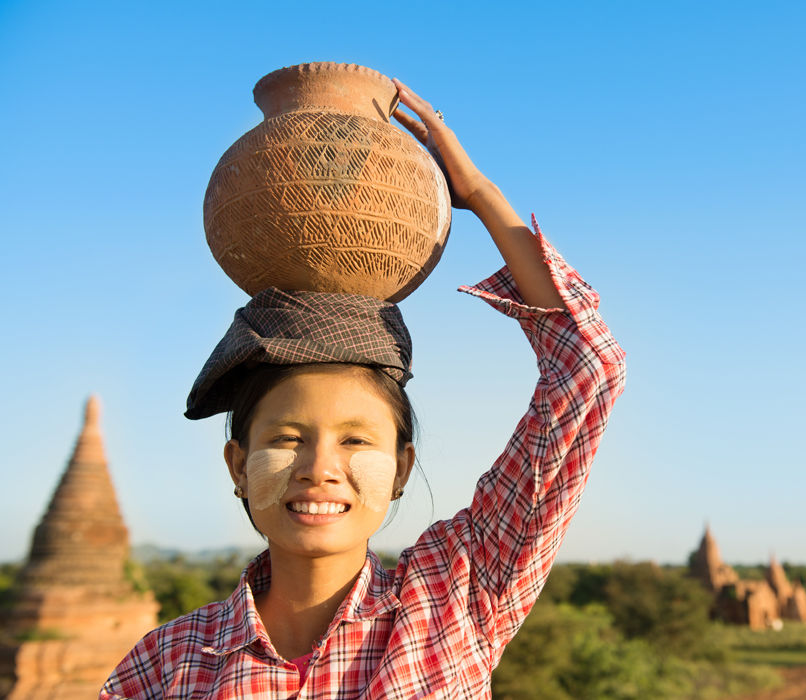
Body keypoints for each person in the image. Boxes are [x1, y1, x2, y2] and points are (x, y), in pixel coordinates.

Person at [101, 78, 626, 698]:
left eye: (356, 441)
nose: (321, 469)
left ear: (402, 467)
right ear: (237, 463)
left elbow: (587, 368)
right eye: (288, 437)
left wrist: (480, 195)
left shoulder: (453, 598)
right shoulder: (170, 661)